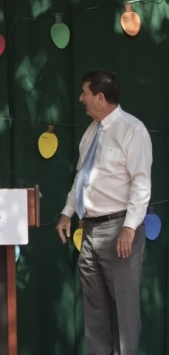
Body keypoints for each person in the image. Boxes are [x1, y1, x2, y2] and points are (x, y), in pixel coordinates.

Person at [55, 70, 152, 355]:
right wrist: (66, 213)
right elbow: (82, 178)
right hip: (89, 229)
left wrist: (130, 227)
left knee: (124, 309)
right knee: (95, 311)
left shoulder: (132, 130)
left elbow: (141, 182)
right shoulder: (91, 132)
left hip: (119, 228)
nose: (80, 98)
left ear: (100, 96)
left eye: (84, 92)